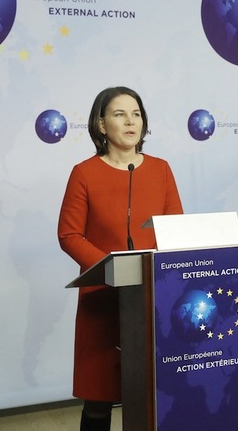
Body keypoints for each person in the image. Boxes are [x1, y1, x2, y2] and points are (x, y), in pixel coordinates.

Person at [58, 86, 183, 431]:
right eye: (119, 114)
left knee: (153, 395)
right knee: (99, 400)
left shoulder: (161, 170)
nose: (131, 121)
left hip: (152, 299)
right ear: (101, 125)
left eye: (136, 114)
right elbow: (69, 235)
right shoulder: (84, 173)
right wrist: (113, 270)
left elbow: (174, 230)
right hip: (103, 294)